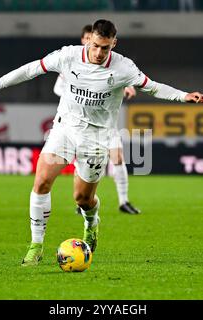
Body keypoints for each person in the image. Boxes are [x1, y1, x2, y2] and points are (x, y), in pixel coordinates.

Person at [0, 19, 203, 266]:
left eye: (106, 48)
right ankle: (36, 246)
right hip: (65, 129)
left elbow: (152, 87)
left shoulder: (124, 67)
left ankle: (91, 223)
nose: (100, 53)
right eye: (97, 45)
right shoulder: (68, 56)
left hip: (97, 137)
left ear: (114, 44)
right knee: (42, 181)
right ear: (88, 39)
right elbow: (30, 69)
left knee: (82, 199)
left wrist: (183, 95)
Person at [54, 24, 142, 215]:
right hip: (78, 123)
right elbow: (58, 88)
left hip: (104, 123)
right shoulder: (71, 62)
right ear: (84, 41)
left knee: (118, 157)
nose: (91, 44)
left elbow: (122, 80)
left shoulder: (113, 65)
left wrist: (125, 87)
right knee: (84, 163)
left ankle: (123, 201)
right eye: (87, 39)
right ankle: (83, 202)